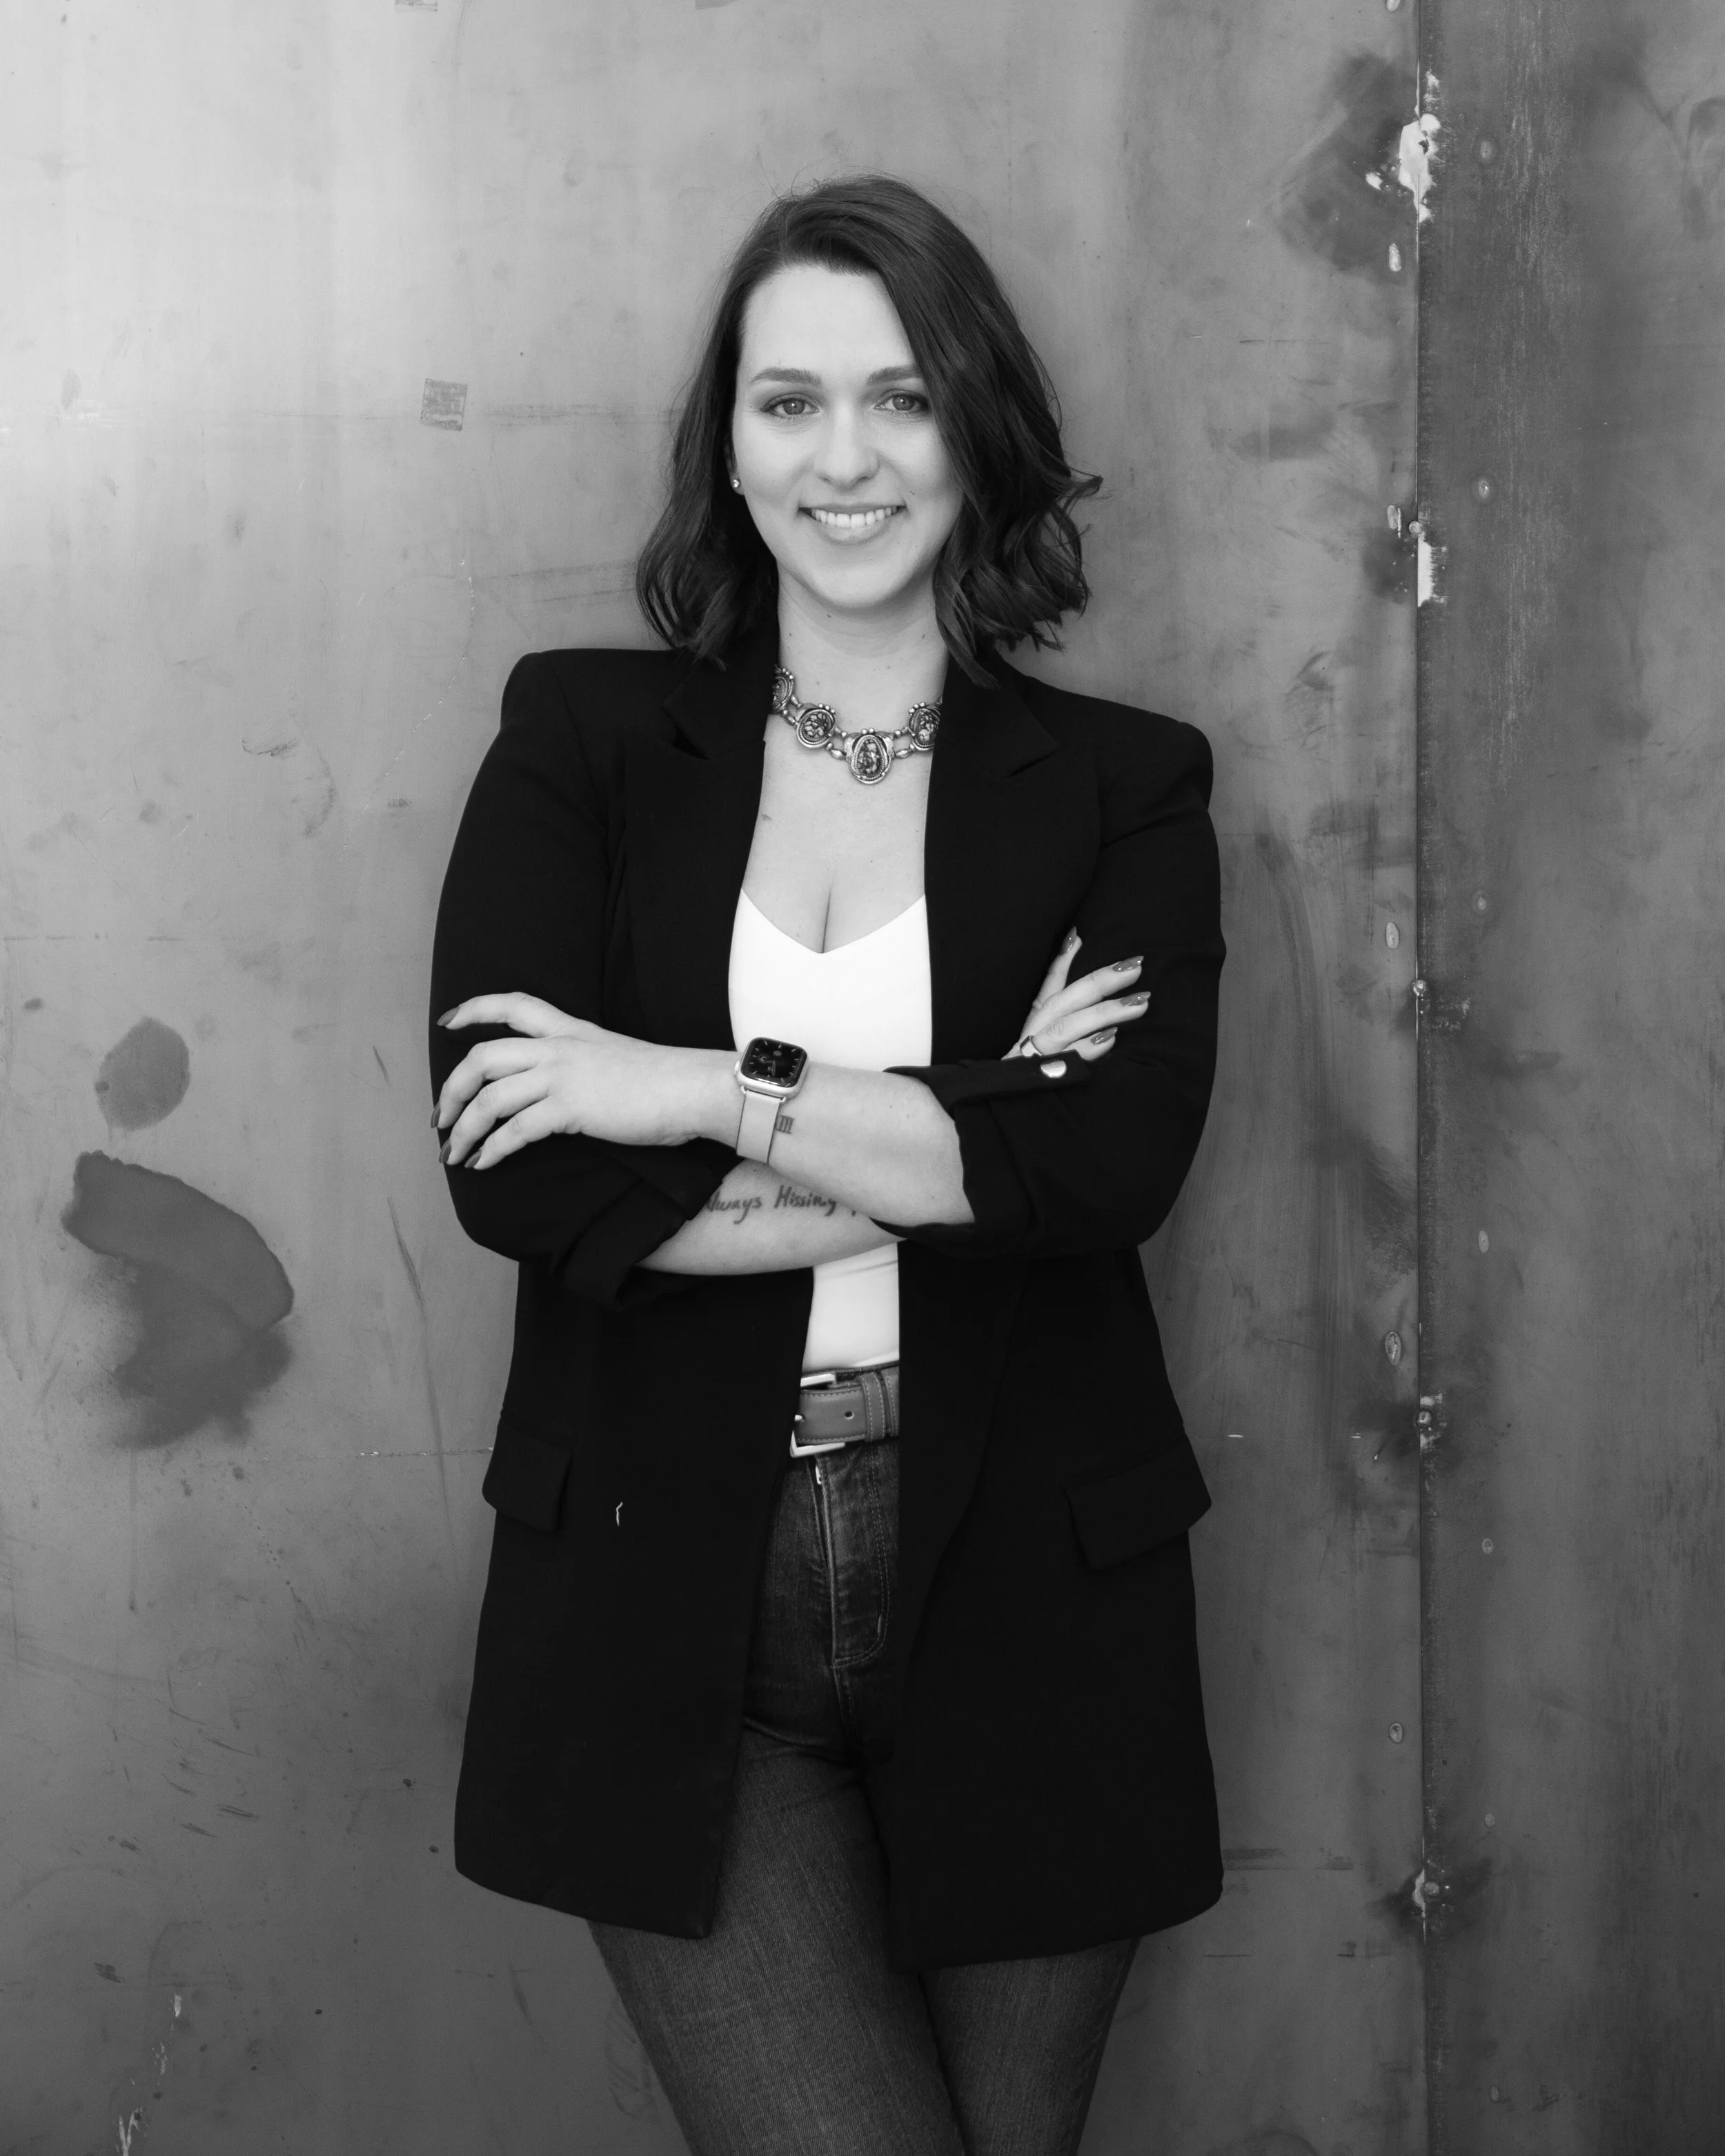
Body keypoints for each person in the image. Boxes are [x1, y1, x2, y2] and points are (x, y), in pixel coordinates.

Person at [428, 174, 1225, 2156]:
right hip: (661, 1574)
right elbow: (514, 1168)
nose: (843, 458)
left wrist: (684, 1084)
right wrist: (962, 1117)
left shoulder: (1124, 786)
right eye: (788, 403)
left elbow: (1100, 1170)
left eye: (900, 398)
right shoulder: (582, 742)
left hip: (1036, 1576)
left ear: (979, 427)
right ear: (729, 444)